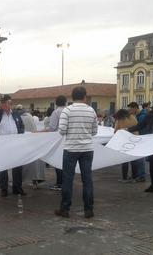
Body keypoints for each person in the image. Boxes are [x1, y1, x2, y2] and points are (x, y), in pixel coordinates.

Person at [55, 87, 98, 218]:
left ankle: (65, 209)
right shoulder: (91, 110)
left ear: (72, 97)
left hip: (71, 149)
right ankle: (89, 210)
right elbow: (95, 132)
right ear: (85, 96)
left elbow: (61, 130)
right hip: (87, 150)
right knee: (87, 180)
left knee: (67, 179)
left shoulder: (67, 110)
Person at [46, 95, 67, 191]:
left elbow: (52, 128)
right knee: (66, 162)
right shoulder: (68, 111)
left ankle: (59, 183)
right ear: (65, 102)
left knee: (57, 161)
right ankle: (66, 182)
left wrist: (42, 131)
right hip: (68, 139)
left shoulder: (56, 112)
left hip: (58, 139)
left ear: (56, 103)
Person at [114, 108, 139, 182]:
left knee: (124, 160)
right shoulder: (133, 118)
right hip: (134, 141)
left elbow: (116, 131)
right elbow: (137, 128)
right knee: (133, 160)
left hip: (124, 142)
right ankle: (134, 177)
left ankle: (124, 177)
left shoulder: (120, 120)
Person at [126, 102, 146, 182]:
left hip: (141, 139)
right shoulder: (137, 116)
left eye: (130, 109)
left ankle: (141, 176)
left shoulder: (142, 116)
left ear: (135, 108)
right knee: (135, 158)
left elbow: (140, 127)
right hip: (137, 138)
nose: (129, 110)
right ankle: (136, 175)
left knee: (140, 158)